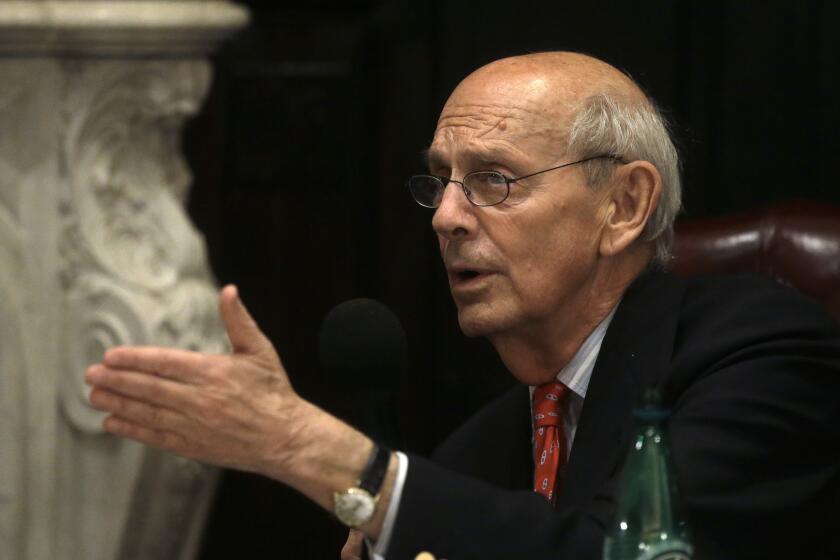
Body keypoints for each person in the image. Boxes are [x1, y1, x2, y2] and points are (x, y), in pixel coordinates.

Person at [85, 52, 840, 559]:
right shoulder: (482, 450)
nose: (446, 217)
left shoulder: (767, 353)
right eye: (440, 180)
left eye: (494, 180)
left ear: (624, 205)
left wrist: (318, 454)